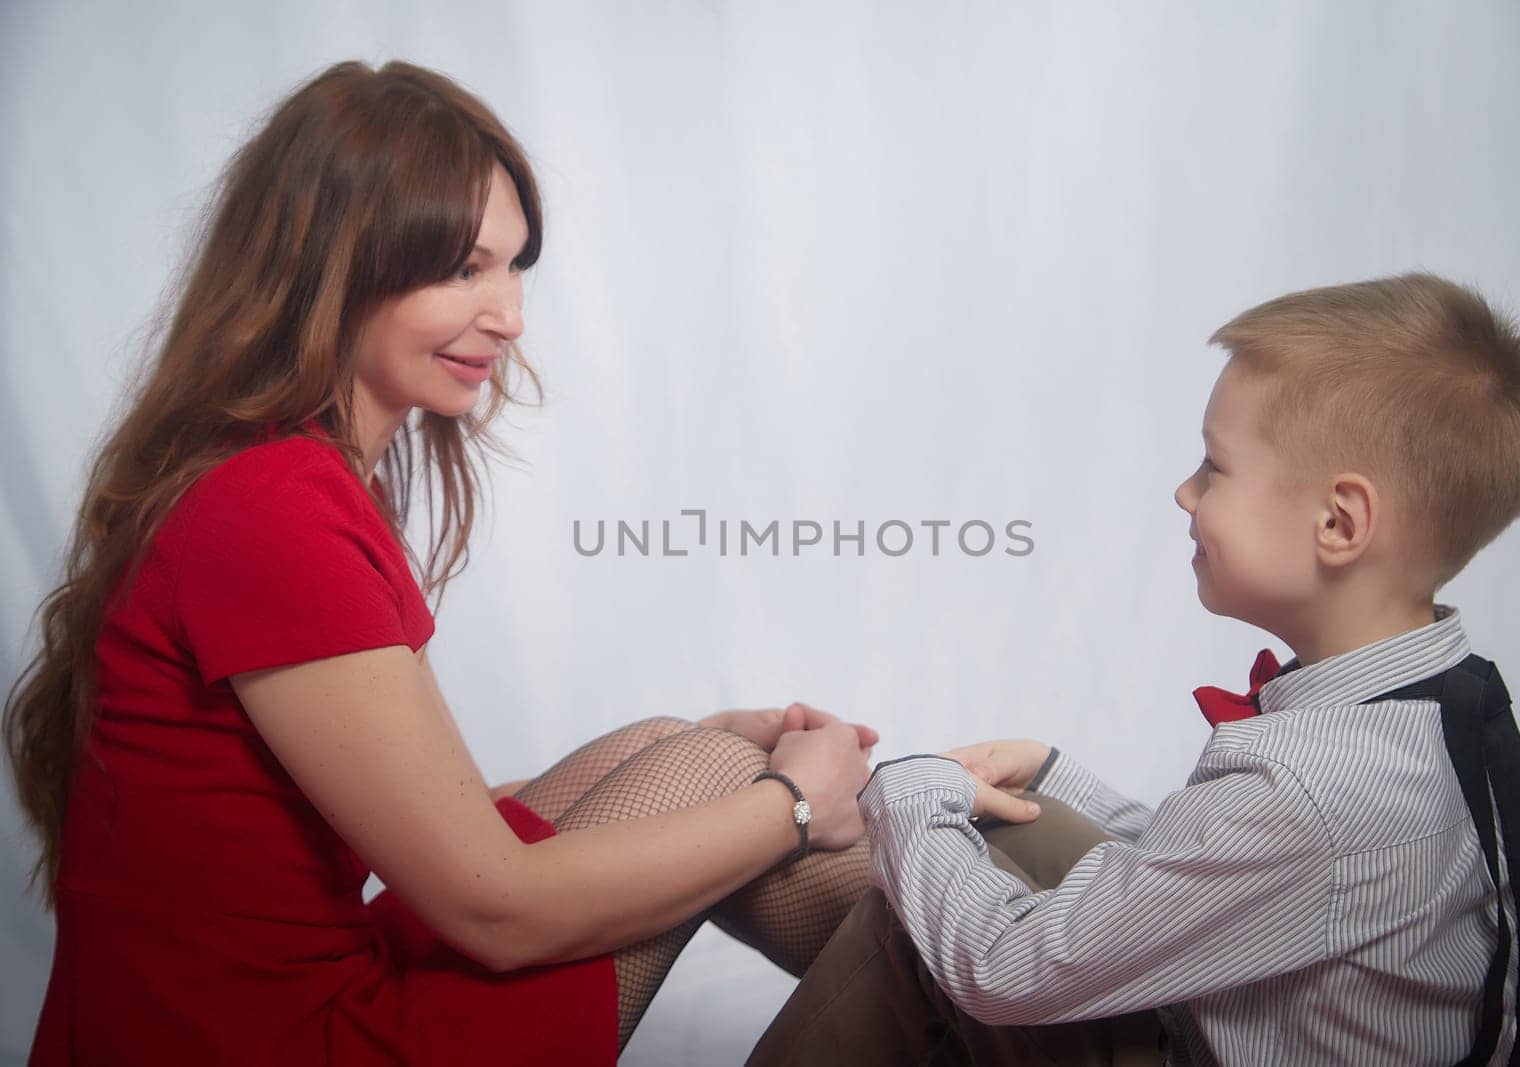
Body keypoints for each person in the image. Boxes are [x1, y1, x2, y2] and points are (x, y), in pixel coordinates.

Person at [4, 60, 879, 1065]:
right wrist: (794, 804)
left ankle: (1015, 974)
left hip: (235, 1017)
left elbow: (417, 817)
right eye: (462, 268)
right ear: (333, 268)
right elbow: (492, 905)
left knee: (676, 746)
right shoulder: (271, 508)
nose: (508, 314)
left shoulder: (283, 475)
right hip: (270, 1041)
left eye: (513, 267)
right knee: (726, 778)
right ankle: (1031, 986)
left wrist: (697, 757)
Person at [751, 273, 1520, 1065]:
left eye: (1215, 468)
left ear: (1338, 522)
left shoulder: (1308, 794)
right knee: (1019, 819)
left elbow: (1005, 971)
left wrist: (906, 784)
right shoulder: (1428, 703)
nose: (1184, 491)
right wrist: (1053, 770)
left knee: (919, 932)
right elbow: (1214, 877)